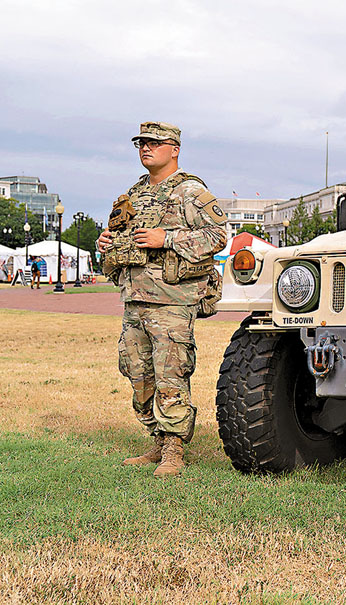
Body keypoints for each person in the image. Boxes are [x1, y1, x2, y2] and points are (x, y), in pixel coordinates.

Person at [96, 121, 227, 477]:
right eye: (141, 142)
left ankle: (174, 449)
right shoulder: (134, 194)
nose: (145, 147)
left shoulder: (191, 192)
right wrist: (106, 243)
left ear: (175, 148)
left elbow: (218, 236)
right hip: (134, 298)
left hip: (172, 299)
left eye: (155, 142)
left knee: (171, 374)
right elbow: (122, 238)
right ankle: (156, 438)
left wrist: (165, 238)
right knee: (136, 372)